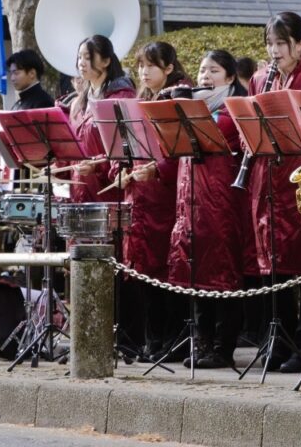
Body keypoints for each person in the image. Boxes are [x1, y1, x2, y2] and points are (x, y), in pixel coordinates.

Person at [246, 11, 301, 373]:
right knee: (272, 263)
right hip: (266, 178)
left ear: (300, 43)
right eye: (270, 44)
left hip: (299, 178)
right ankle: (277, 338)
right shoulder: (261, 78)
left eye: (281, 43)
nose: (274, 51)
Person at [167, 49, 248, 369]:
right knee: (195, 270)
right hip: (191, 202)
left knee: (222, 271)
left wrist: (188, 110)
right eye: (202, 71)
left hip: (221, 201)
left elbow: (219, 137)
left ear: (229, 78)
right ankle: (200, 343)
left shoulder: (231, 110)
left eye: (214, 71)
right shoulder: (192, 107)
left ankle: (222, 346)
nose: (205, 77)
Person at [122, 41, 188, 360]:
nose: (144, 72)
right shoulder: (140, 100)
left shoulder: (178, 98)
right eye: (140, 66)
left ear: (169, 69)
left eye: (151, 66)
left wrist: (158, 171)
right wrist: (120, 170)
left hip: (165, 195)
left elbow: (183, 152)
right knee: (144, 271)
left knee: (167, 271)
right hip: (141, 194)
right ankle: (152, 340)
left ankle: (170, 340)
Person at [69, 35, 135, 203]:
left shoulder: (122, 97)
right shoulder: (78, 102)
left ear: (106, 62)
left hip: (109, 193)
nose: (81, 63)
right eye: (79, 57)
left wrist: (97, 165)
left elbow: (128, 148)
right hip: (80, 189)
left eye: (88, 57)